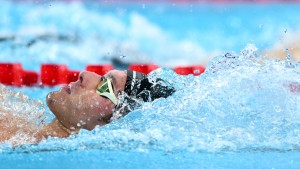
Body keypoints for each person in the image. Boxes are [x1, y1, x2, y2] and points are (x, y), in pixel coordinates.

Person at [0, 69, 175, 144]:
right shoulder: (25, 126)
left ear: (113, 122)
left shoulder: (21, 146)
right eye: (102, 76)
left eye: (105, 87)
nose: (85, 74)